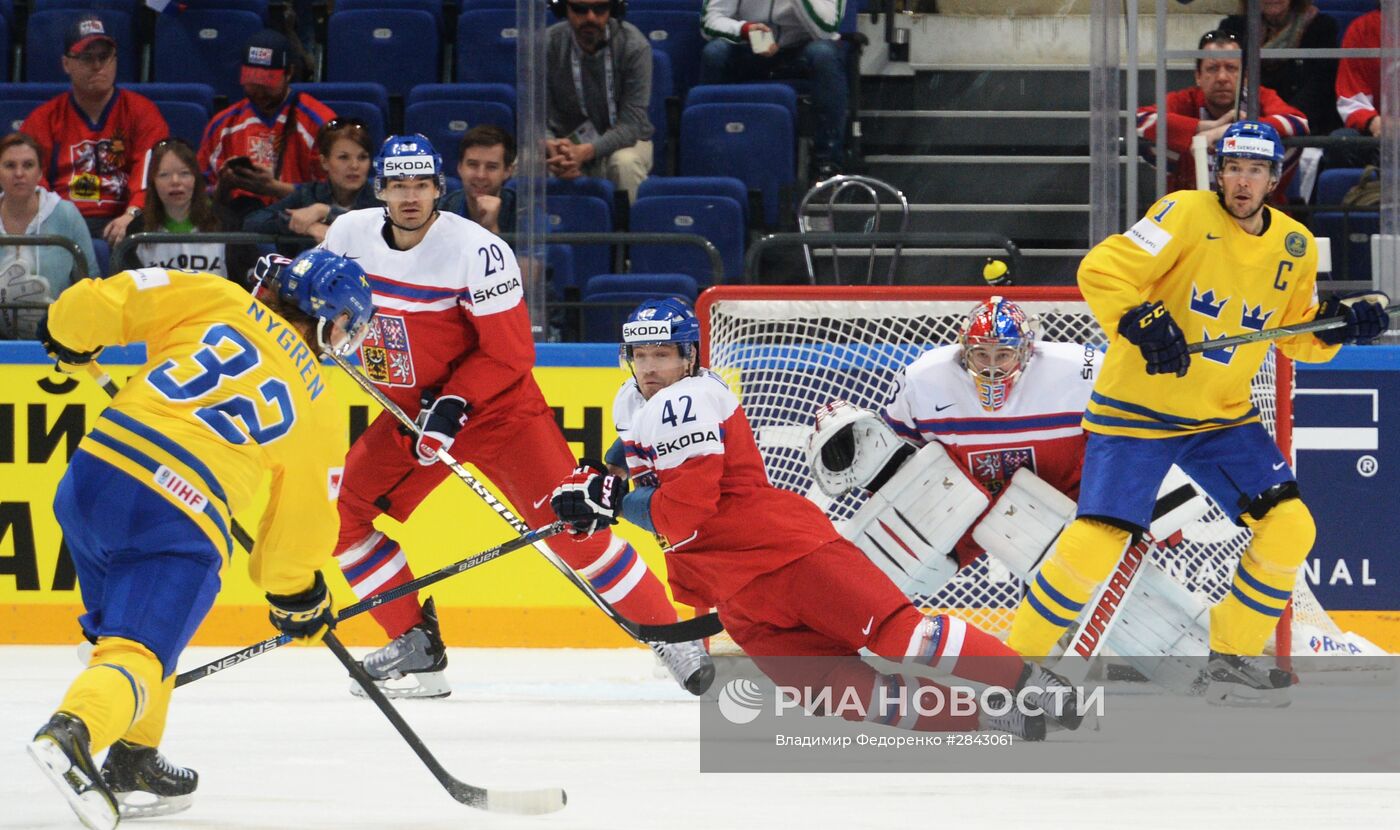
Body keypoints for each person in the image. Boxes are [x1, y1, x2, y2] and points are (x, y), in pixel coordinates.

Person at [551, 298, 1083, 739]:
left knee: (903, 637)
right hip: (733, 587)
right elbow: (635, 445)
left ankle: (1032, 683)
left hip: (787, 555)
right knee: (828, 689)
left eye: (663, 354)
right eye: (640, 355)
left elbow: (685, 510)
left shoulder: (687, 399)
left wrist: (610, 503)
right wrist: (600, 476)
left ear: (690, 356)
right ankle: (994, 716)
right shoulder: (638, 399)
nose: (650, 368)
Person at [1002, 120, 1389, 707]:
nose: (1242, 180)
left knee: (1290, 527)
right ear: (1219, 172)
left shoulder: (1294, 245)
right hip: (1138, 412)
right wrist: (1140, 319)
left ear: (1274, 177)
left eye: (1256, 170)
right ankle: (1013, 667)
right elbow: (1102, 270)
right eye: (1233, 167)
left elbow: (1299, 335)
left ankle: (1230, 658)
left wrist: (1344, 324)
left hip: (1221, 419)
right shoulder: (1182, 213)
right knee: (1099, 539)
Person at [319, 135, 712, 699]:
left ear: (438, 188)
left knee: (572, 528)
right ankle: (415, 647)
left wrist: (455, 404)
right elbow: (331, 305)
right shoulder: (348, 234)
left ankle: (671, 634)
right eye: (399, 185)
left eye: (422, 185)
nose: (411, 197)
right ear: (380, 188)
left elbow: (509, 354)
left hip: (501, 414)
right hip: (410, 414)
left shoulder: (479, 252)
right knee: (345, 516)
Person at [26, 248, 375, 830]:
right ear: (327, 320)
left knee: (132, 630)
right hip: (175, 516)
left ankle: (134, 758)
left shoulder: (218, 296)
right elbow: (301, 526)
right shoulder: (318, 401)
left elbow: (103, 301)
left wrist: (69, 333)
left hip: (91, 478)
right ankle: (75, 731)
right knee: (137, 649)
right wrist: (298, 595)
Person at [805, 297, 1100, 598]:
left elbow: (1121, 444)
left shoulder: (1082, 371)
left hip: (1057, 499)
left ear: (1026, 351)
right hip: (959, 500)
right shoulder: (922, 378)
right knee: (885, 572)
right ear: (963, 349)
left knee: (1085, 576)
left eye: (1004, 354)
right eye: (982, 354)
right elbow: (892, 464)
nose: (992, 367)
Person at [21, 14, 169, 245]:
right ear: (66, 64)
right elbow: (32, 181)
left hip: (123, 220)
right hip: (60, 222)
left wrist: (132, 214)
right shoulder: (44, 119)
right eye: (86, 58)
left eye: (105, 57)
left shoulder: (142, 113)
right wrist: (54, 219)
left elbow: (150, 174)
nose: (98, 66)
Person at [1135, 30, 1309, 204]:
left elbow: (1298, 123)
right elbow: (1141, 119)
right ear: (1198, 76)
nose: (1222, 78)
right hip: (1193, 217)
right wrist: (1207, 127)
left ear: (1246, 77)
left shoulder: (1261, 97)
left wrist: (1228, 131)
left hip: (1260, 217)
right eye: (1212, 68)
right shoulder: (1187, 99)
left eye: (1231, 68)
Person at [198, 29, 334, 229]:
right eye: (252, 83)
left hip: (302, 231)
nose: (259, 92)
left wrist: (275, 189)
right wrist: (224, 187)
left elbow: (337, 195)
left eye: (268, 83)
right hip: (238, 233)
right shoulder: (223, 125)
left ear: (289, 73)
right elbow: (198, 194)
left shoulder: (319, 122)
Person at [700, 0, 848, 180]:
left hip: (801, 48)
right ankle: (711, 151)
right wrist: (745, 30)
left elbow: (825, 30)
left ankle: (827, 163)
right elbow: (709, 21)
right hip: (751, 45)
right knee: (715, 53)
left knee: (824, 55)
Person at [545, 0, 654, 202]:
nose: (590, 18)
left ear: (613, 9)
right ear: (563, 9)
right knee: (526, 163)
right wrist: (553, 148)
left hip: (625, 142)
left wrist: (586, 152)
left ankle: (632, 232)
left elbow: (632, 125)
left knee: (625, 164)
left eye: (600, 8)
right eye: (580, 9)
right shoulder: (547, 44)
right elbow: (536, 115)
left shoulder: (634, 46)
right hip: (564, 142)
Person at [0, 133, 98, 340]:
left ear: (39, 172)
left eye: (28, 165)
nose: (19, 173)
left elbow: (92, 283)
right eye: (9, 165)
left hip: (58, 336)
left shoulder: (66, 214)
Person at [243, 117, 378, 244]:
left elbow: (379, 228)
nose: (354, 166)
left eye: (362, 157)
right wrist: (306, 226)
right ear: (324, 161)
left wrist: (325, 212)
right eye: (344, 157)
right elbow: (252, 222)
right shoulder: (309, 193)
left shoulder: (381, 196)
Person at [1218, 1, 1342, 135]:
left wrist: (1280, 123)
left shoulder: (1321, 26)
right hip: (1247, 125)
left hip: (1303, 128)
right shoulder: (1232, 28)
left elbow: (1319, 87)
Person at [131, 138, 227, 277]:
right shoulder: (137, 230)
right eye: (164, 175)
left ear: (196, 178)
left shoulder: (226, 223)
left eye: (184, 173)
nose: (175, 181)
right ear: (153, 182)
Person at [440, 124, 518, 235]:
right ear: (460, 167)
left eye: (491, 167)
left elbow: (531, 252)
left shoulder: (524, 213)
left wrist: (491, 228)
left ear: (507, 172)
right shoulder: (441, 212)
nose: (481, 175)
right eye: (473, 165)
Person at [1335, 9, 1382, 137]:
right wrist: (1373, 122)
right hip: (1377, 132)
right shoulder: (1363, 28)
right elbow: (1351, 94)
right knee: (1342, 140)